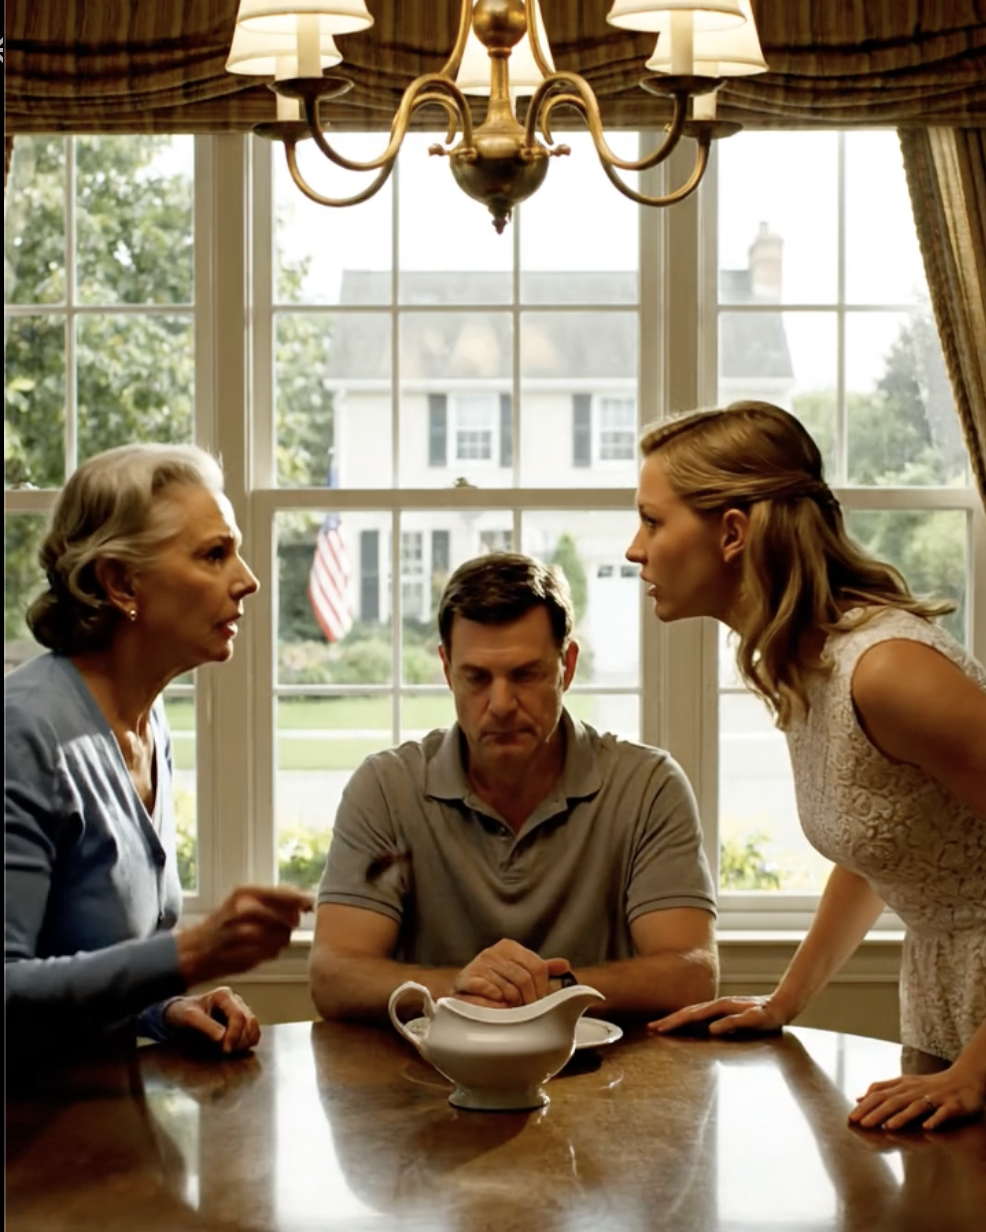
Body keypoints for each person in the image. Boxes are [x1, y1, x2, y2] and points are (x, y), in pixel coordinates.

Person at [625, 400, 986, 1130]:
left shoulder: (887, 671)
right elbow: (881, 842)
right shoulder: (805, 668)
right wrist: (782, 1001)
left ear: (730, 533)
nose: (636, 549)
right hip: (947, 995)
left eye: (653, 521)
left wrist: (977, 1069)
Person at [309, 552, 718, 1022]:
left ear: (567, 664)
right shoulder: (385, 788)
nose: (501, 704)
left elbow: (691, 974)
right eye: (476, 678)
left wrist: (545, 990)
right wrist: (461, 988)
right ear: (446, 670)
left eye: (525, 674)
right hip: (428, 1077)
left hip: (605, 1078)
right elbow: (333, 975)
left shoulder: (648, 786)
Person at [5, 442, 313, 1063]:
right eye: (214, 554)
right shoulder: (25, 733)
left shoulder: (148, 722)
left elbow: (81, 955)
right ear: (120, 582)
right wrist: (189, 955)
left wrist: (165, 1008)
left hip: (104, 1127)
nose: (248, 580)